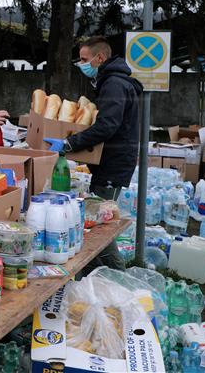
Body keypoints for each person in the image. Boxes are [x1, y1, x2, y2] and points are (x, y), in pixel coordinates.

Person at [44, 35, 143, 270]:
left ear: (100, 58)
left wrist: (69, 143)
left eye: (84, 59)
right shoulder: (111, 81)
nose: (81, 64)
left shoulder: (114, 84)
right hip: (112, 162)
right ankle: (95, 274)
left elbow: (107, 126)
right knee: (98, 219)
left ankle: (119, 275)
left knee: (100, 224)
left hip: (113, 163)